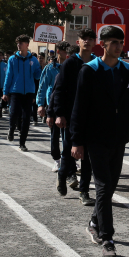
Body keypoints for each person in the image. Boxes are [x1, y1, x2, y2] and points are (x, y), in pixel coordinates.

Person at [71, 25, 129, 257]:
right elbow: (79, 109)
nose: (119, 47)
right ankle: (107, 239)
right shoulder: (88, 71)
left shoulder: (127, 70)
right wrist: (76, 141)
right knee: (102, 186)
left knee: (110, 188)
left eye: (121, 43)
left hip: (119, 137)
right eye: (114, 43)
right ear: (103, 44)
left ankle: (93, 222)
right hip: (95, 138)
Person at [51, 29, 97, 205]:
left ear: (95, 42)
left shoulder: (96, 63)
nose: (87, 41)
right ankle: (62, 176)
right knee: (70, 152)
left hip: (91, 117)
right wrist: (59, 114)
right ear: (78, 42)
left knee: (88, 157)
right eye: (84, 39)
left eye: (90, 39)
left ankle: (84, 191)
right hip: (72, 116)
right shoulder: (69, 64)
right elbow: (59, 90)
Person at [2, 34, 42, 151]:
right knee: (14, 113)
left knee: (26, 118)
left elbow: (37, 75)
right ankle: (11, 128)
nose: (18, 45)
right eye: (17, 43)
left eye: (21, 43)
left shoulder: (33, 59)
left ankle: (22, 143)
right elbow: (8, 76)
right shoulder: (12, 59)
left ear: (27, 45)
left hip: (29, 92)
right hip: (15, 91)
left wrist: (41, 68)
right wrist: (5, 92)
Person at [38, 41, 69, 171]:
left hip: (68, 105)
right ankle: (57, 159)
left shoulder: (73, 66)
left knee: (69, 135)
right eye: (64, 51)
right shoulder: (50, 68)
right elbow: (42, 87)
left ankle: (69, 160)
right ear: (58, 52)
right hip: (54, 105)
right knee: (55, 134)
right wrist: (41, 105)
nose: (67, 54)